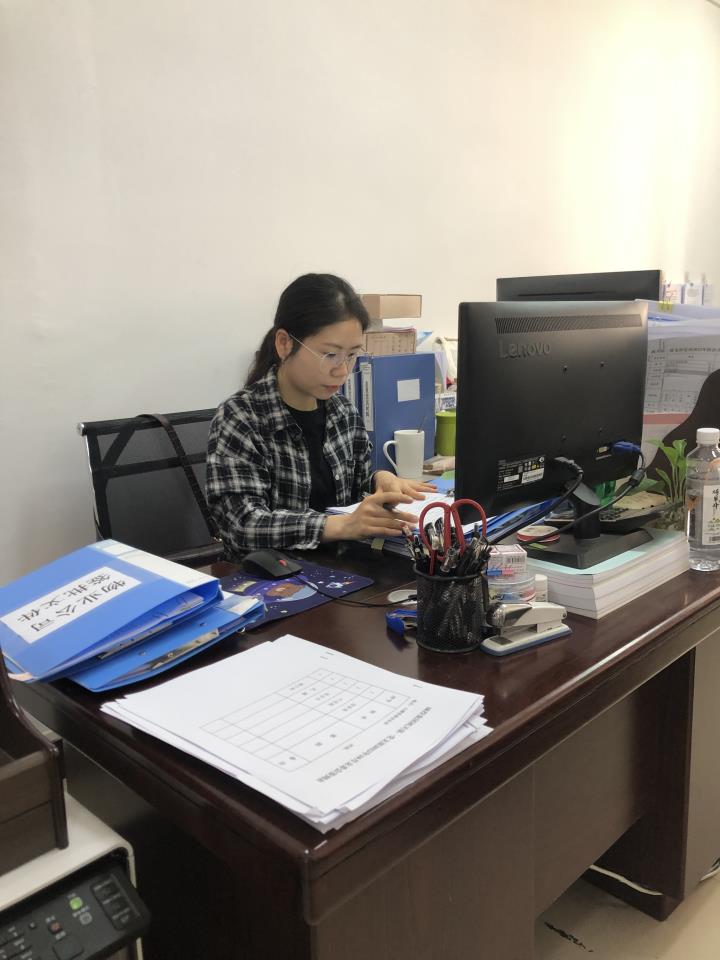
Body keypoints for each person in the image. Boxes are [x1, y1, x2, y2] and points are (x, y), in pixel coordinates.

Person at [206, 273, 434, 555]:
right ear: (284, 343)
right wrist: (339, 526)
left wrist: (379, 481)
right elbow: (242, 525)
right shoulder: (241, 418)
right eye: (330, 355)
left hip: (344, 567)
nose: (342, 370)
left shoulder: (343, 413)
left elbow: (355, 489)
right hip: (273, 575)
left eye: (351, 355)